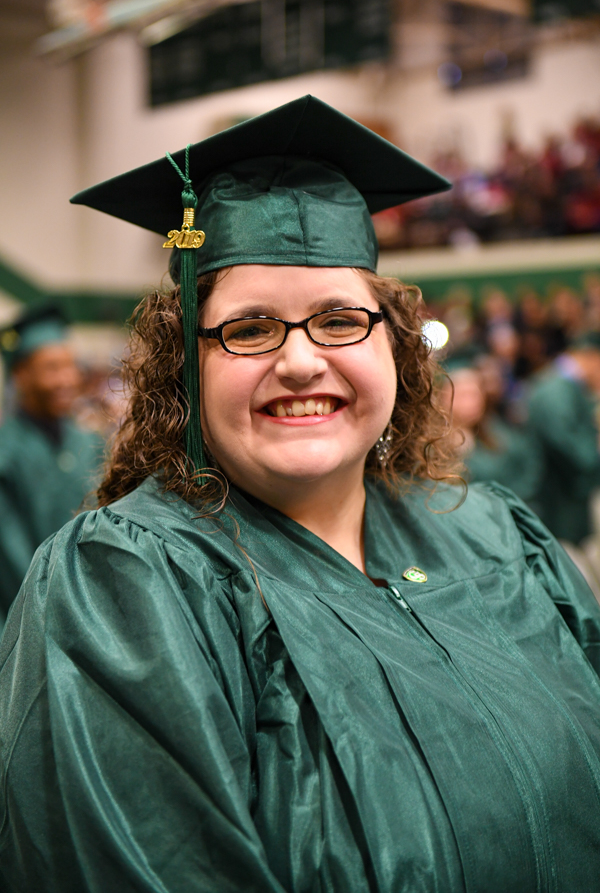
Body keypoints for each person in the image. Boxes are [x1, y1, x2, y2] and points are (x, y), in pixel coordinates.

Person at [1, 96, 600, 893]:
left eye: (340, 320)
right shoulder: (127, 590)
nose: (301, 361)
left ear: (393, 343)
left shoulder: (495, 534)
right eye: (249, 328)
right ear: (185, 365)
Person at [0, 303, 103, 627]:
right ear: (21, 374)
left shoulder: (91, 443)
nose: (67, 380)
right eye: (51, 368)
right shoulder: (6, 453)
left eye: (71, 366)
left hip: (92, 615)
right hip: (26, 620)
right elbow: (11, 557)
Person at [527, 331, 600, 543]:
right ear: (591, 357)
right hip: (559, 493)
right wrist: (593, 455)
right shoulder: (555, 389)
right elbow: (564, 440)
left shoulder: (561, 385)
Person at [441, 361, 542, 507]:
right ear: (443, 398)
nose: (469, 403)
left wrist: (513, 500)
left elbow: (528, 463)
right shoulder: (433, 442)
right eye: (462, 395)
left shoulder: (497, 431)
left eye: (474, 395)